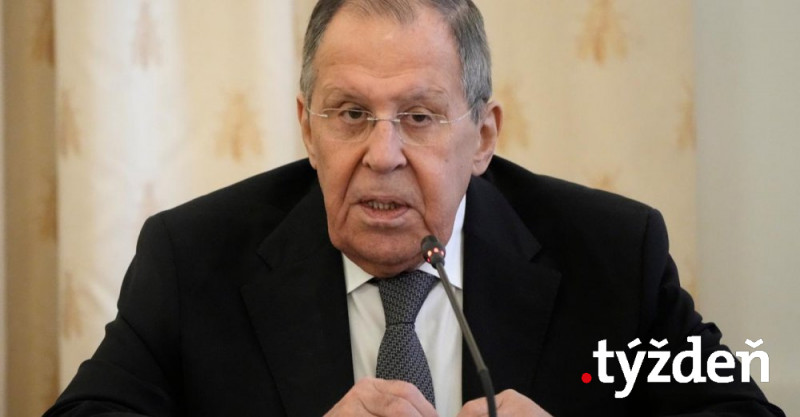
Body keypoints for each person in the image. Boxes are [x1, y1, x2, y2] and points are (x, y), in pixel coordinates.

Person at [46, 1, 784, 416]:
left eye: (421, 117)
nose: (383, 154)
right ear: (307, 127)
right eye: (350, 113)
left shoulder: (611, 256)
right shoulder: (194, 258)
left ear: (483, 136)